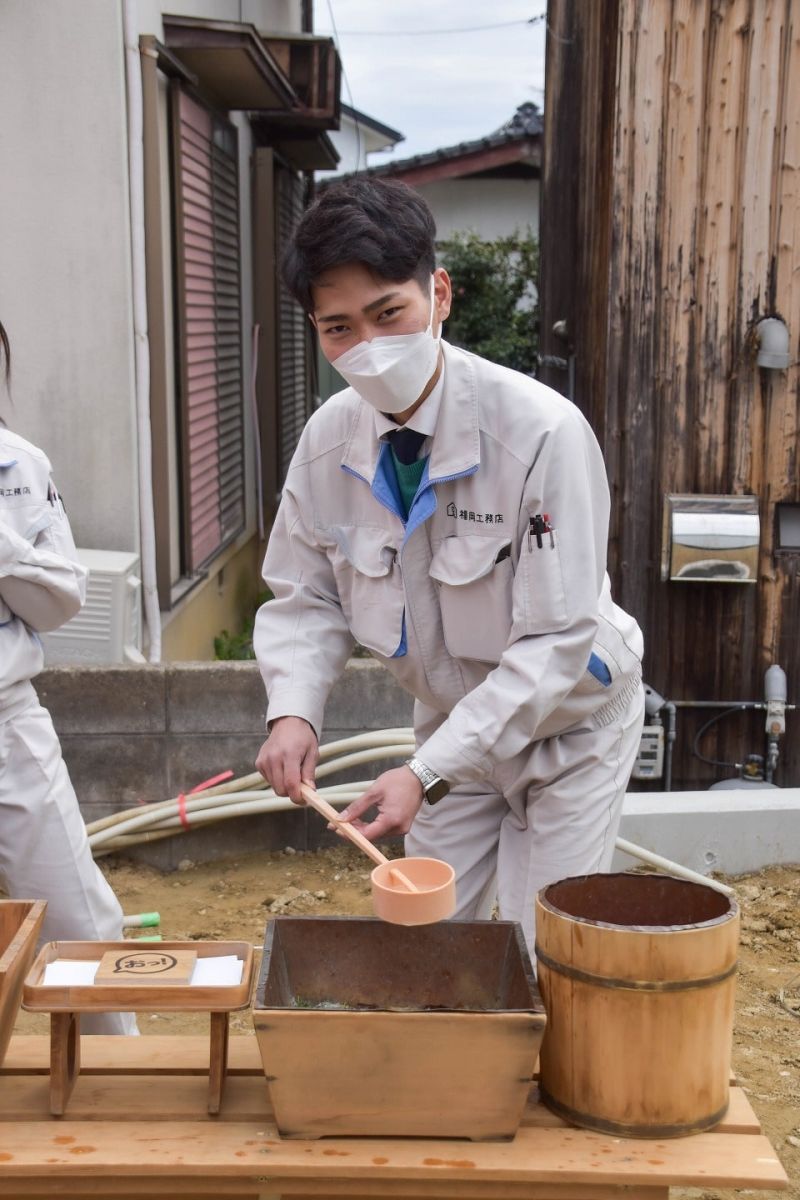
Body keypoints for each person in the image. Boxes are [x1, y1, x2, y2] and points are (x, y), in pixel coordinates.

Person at [254, 179, 644, 948]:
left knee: (549, 944)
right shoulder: (329, 443)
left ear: (439, 293)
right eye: (337, 327)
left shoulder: (538, 433)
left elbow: (554, 644)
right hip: (450, 725)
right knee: (426, 931)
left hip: (570, 724)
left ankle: (543, 1072)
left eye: (387, 313)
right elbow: (305, 596)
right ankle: (445, 1069)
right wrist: (292, 707)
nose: (366, 346)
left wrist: (425, 772)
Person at [0, 320, 136, 1034]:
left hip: (6, 721)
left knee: (77, 915)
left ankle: (118, 1077)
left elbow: (59, 600)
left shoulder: (18, 465)